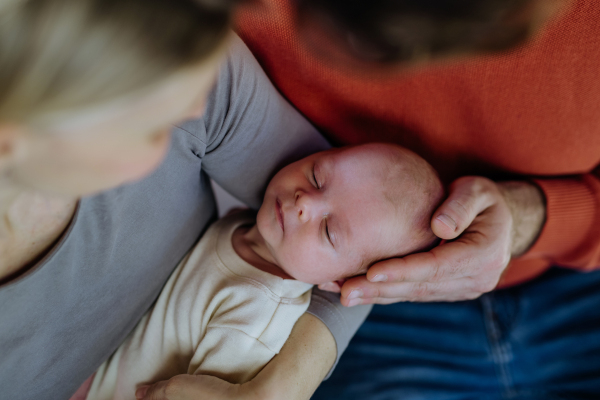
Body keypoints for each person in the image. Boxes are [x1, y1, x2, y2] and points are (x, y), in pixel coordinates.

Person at [181, 0, 600, 398]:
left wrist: (529, 216)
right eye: (317, 173)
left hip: (576, 282)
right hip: (372, 311)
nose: (305, 201)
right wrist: (295, 373)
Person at [0, 1, 374, 399]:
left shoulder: (183, 63)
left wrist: (283, 385)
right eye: (152, 128)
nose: (198, 107)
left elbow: (373, 240)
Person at [74, 143, 443, 400]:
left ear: (337, 284)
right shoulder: (242, 226)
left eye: (329, 231)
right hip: (90, 369)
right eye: (317, 176)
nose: (305, 202)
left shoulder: (257, 318)